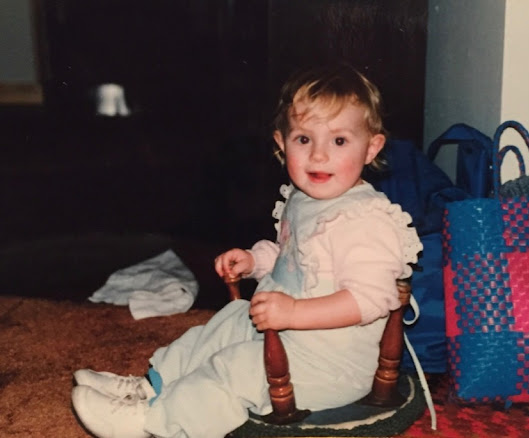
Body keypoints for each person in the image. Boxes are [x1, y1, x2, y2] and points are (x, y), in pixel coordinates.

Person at [71, 63, 423, 438]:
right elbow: (296, 258)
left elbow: (372, 300)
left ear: (371, 148)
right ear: (280, 142)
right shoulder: (304, 198)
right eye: (304, 140)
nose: (319, 156)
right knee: (220, 328)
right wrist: (256, 261)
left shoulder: (365, 220)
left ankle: (155, 423)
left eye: (339, 141)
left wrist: (294, 312)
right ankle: (150, 387)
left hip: (329, 363)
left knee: (235, 370)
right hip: (285, 332)